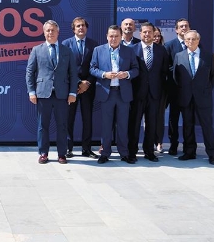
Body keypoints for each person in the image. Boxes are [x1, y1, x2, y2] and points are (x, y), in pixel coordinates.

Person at [26, 20, 79, 164]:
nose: (50, 33)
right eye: (48, 30)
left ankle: (62, 154)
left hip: (62, 95)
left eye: (53, 30)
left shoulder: (66, 50)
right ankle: (43, 153)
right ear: (44, 32)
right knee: (42, 125)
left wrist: (73, 93)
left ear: (58, 32)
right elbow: (30, 72)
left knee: (62, 125)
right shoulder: (37, 50)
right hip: (43, 94)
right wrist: (31, 91)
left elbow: (73, 73)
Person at [90, 25, 139, 164]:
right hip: (107, 93)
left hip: (123, 94)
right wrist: (104, 74)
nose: (114, 38)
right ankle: (105, 153)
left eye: (116, 36)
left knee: (123, 125)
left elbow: (136, 69)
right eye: (111, 36)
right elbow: (92, 68)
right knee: (106, 125)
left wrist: (127, 74)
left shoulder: (129, 51)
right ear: (107, 36)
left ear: (121, 36)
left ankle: (124, 153)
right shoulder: (98, 50)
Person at [173, 30, 214, 165]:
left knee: (207, 126)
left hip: (203, 97)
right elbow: (176, 77)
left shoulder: (208, 56)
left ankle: (211, 154)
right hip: (186, 96)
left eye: (193, 39)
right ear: (185, 41)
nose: (190, 42)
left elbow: (213, 77)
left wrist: (205, 90)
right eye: (187, 39)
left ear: (198, 40)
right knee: (188, 125)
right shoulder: (179, 56)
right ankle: (189, 152)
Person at [129, 23, 168, 162]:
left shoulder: (161, 51)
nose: (147, 34)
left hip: (154, 94)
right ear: (140, 34)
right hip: (137, 94)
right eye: (144, 32)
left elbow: (164, 73)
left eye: (149, 32)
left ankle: (149, 151)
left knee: (152, 124)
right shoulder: (132, 50)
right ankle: (132, 151)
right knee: (134, 124)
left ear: (154, 34)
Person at [61, 17, 99, 159]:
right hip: (71, 88)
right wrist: (78, 83)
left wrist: (87, 83)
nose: (81, 28)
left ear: (86, 28)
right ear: (73, 29)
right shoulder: (65, 44)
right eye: (78, 26)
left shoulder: (94, 45)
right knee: (68, 118)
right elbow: (64, 68)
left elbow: (96, 66)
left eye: (83, 25)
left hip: (88, 89)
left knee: (87, 119)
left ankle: (86, 149)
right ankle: (67, 148)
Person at [164, 18, 190, 156]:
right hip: (174, 89)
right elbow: (166, 66)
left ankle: (188, 146)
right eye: (181, 26)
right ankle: (173, 145)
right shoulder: (169, 45)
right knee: (173, 119)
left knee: (188, 119)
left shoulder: (195, 44)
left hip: (189, 90)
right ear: (176, 30)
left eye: (186, 26)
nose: (184, 28)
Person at [152, 26, 166, 154]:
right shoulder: (138, 48)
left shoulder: (163, 50)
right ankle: (149, 142)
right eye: (154, 35)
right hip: (144, 90)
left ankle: (159, 142)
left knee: (159, 117)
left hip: (160, 90)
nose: (156, 38)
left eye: (158, 36)